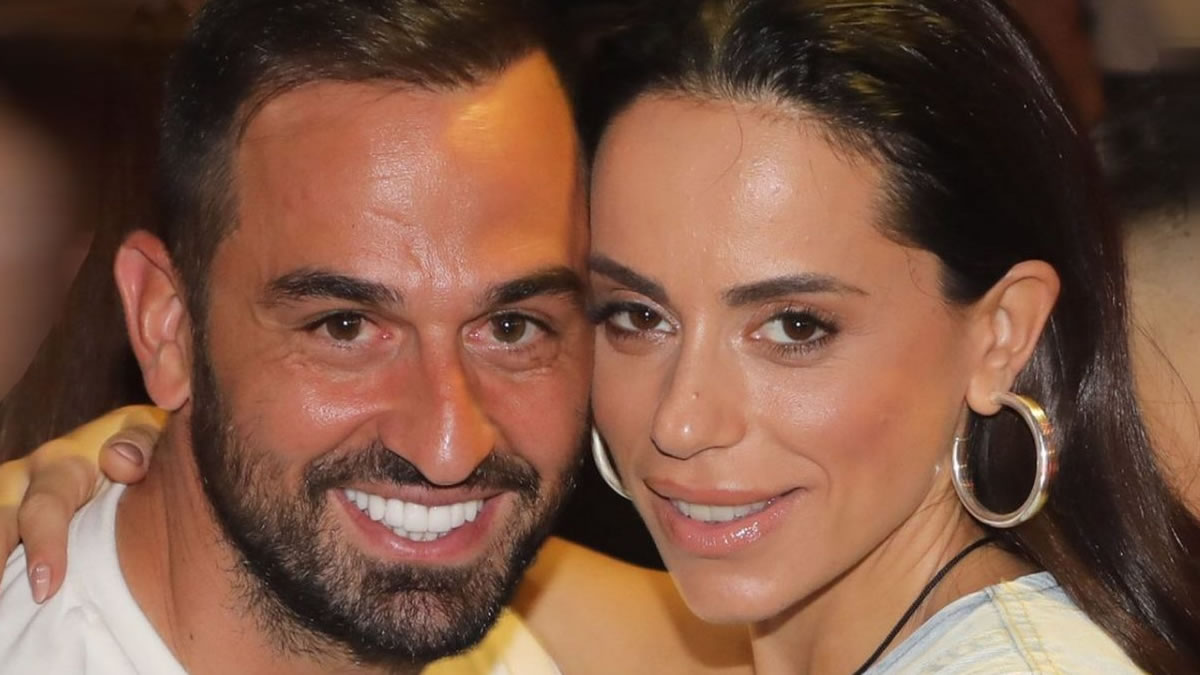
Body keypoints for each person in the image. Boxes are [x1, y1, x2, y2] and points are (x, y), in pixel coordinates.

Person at [6, 0, 1200, 672]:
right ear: (166, 322)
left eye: (794, 325)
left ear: (1001, 335)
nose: (682, 419)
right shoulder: (758, 629)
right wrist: (169, 440)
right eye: (637, 315)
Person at [0, 1, 747, 674]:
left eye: (510, 327)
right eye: (345, 326)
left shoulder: (559, 638)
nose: (450, 448)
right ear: (167, 326)